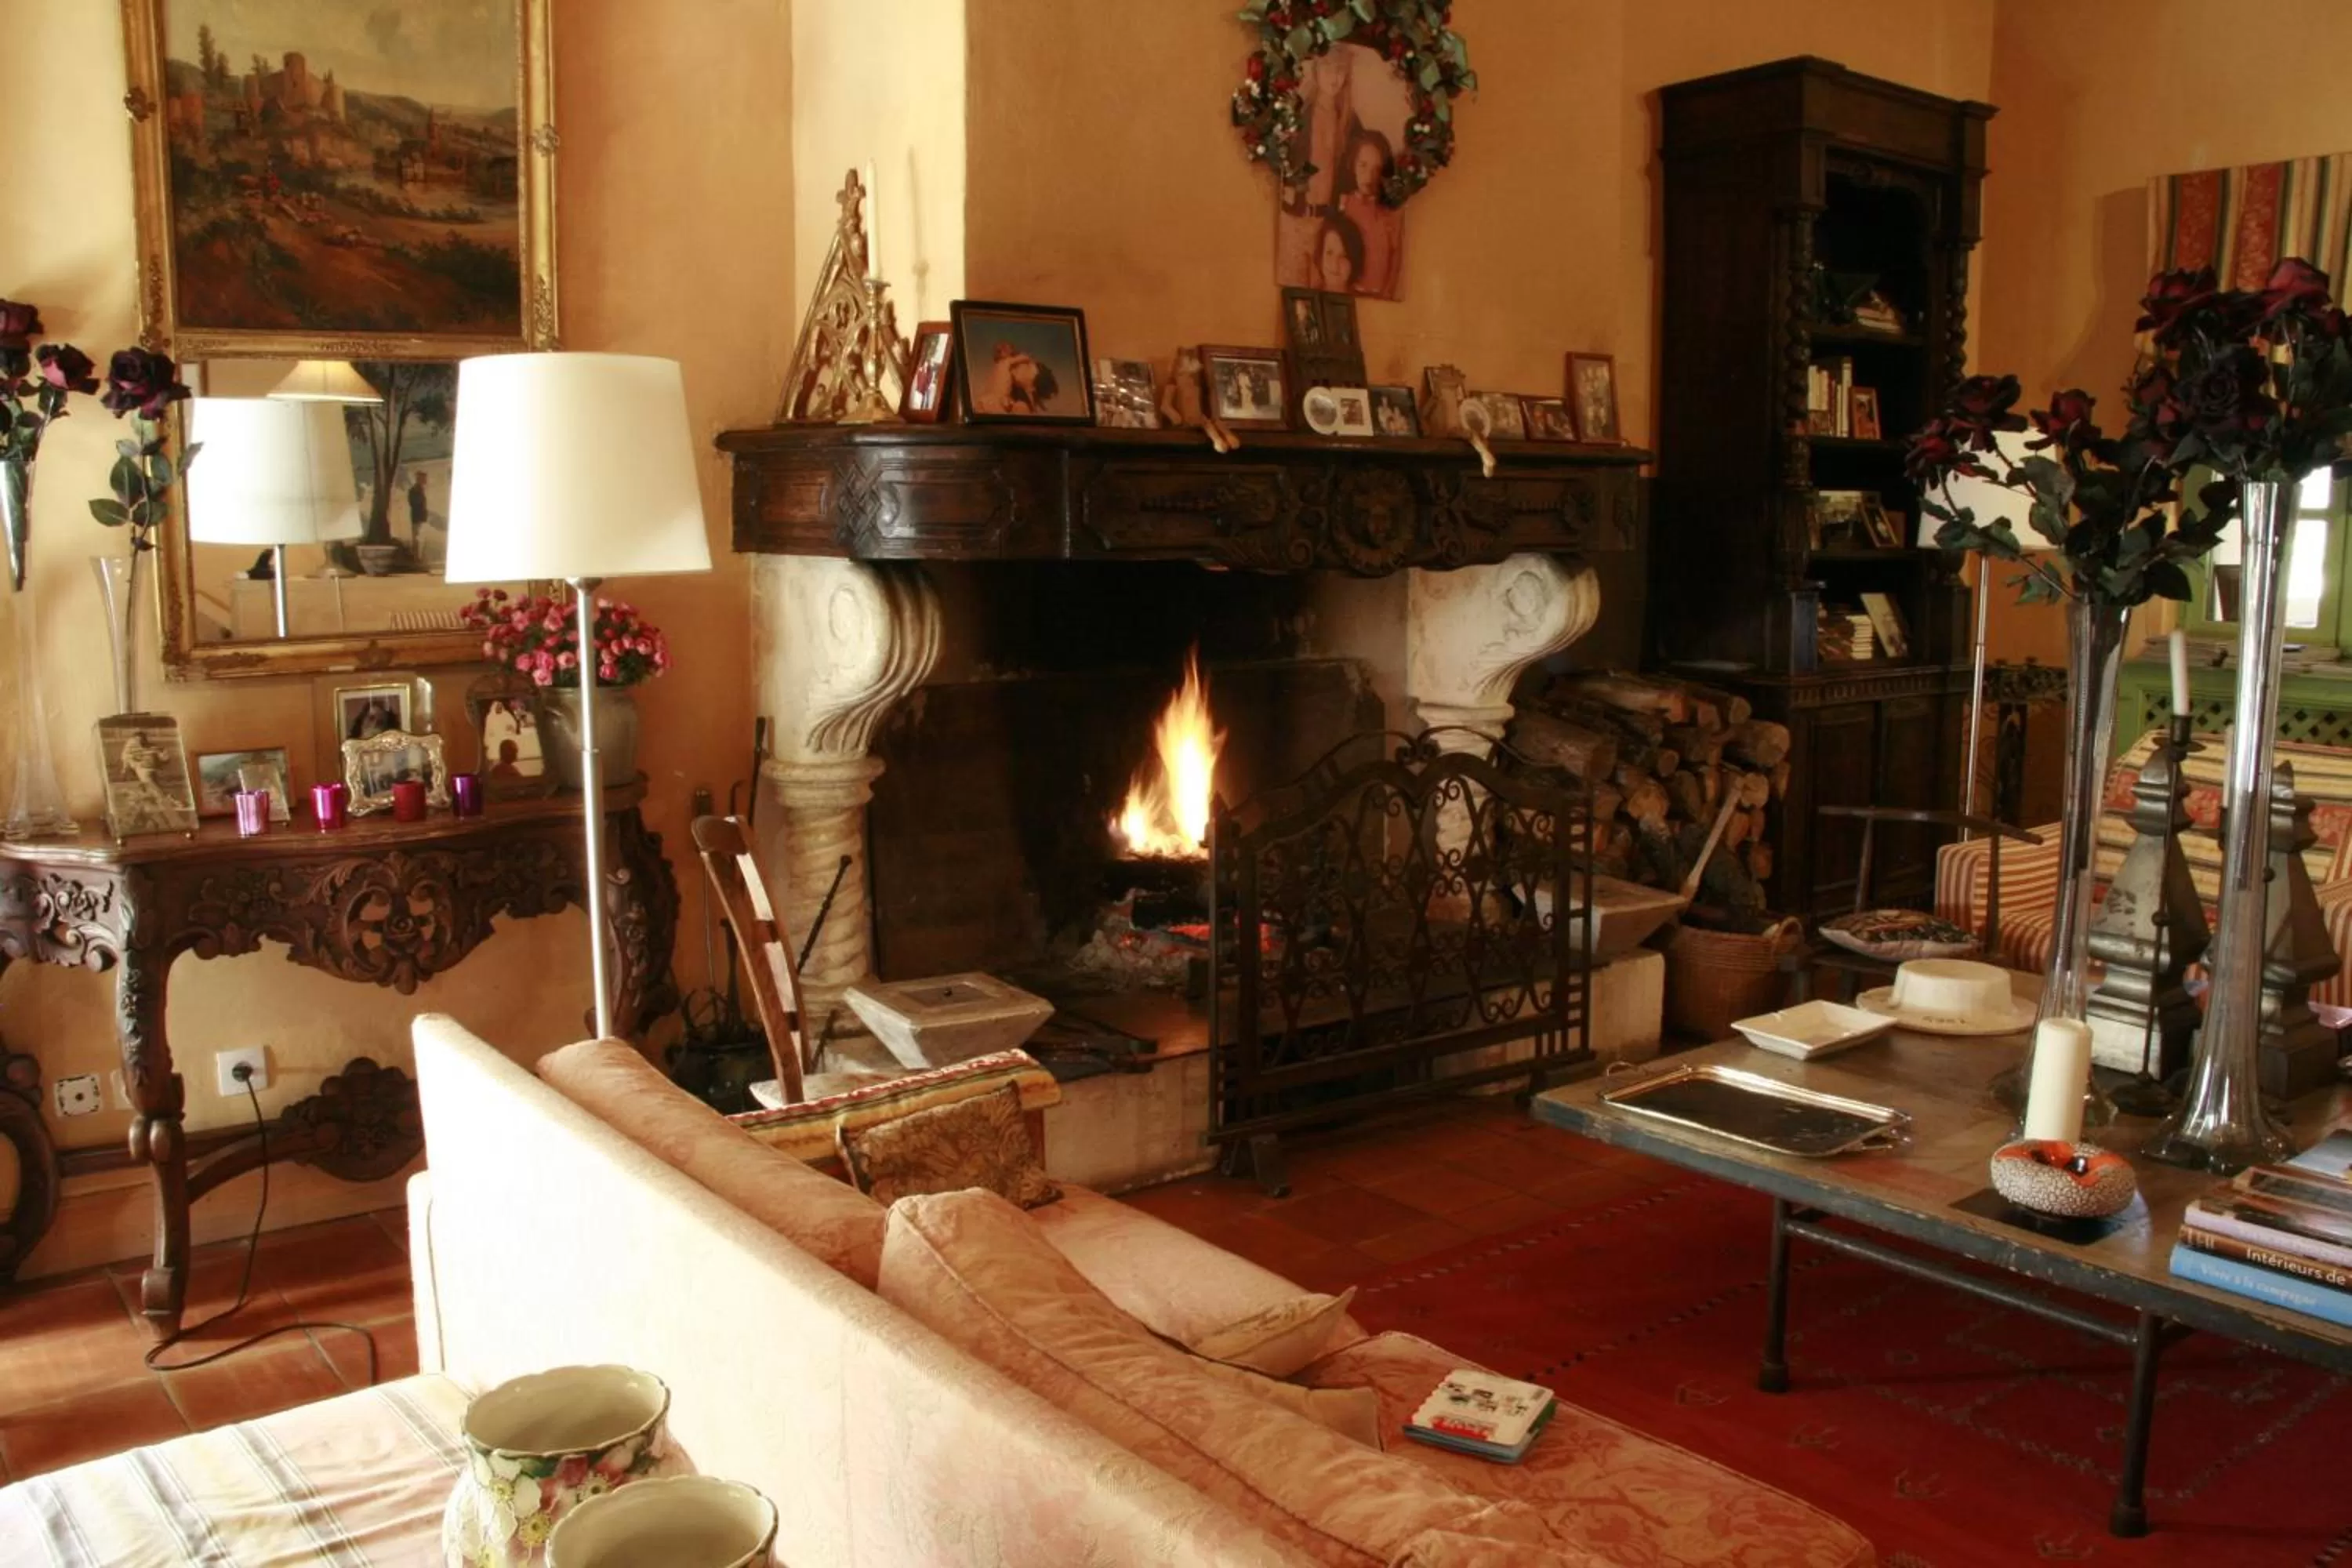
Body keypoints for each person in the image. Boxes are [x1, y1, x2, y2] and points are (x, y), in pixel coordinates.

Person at [1335, 128, 1401, 296]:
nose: (1369, 176)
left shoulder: (1390, 214)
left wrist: (1387, 293)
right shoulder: (1343, 204)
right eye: (1363, 165)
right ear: (1353, 164)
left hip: (1379, 298)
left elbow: (1395, 262)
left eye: (1376, 169)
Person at [973, 342, 1059, 416]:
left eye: (1027, 365)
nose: (1017, 367)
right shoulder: (1005, 363)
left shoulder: (1000, 367)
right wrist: (1026, 358)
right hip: (993, 402)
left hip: (988, 402)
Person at [1314, 212, 1366, 296]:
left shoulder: (1364, 303)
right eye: (1329, 253)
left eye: (1343, 256)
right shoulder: (1307, 302)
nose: (1335, 265)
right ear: (1321, 254)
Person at [406, 470, 430, 554]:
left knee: (419, 538)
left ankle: (418, 557)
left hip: (420, 518)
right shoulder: (415, 490)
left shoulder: (420, 490)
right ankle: (416, 557)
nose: (426, 480)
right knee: (418, 538)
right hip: (418, 518)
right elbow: (414, 503)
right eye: (424, 478)